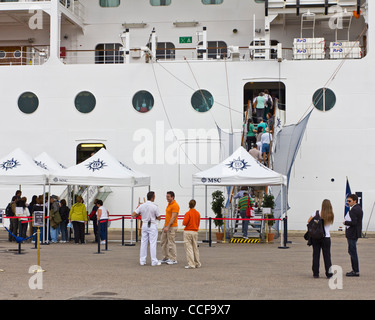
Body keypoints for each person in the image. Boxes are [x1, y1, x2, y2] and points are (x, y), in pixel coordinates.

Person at [132, 191, 161, 266]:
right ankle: (154, 261)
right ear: (152, 197)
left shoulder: (142, 206)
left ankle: (142, 261)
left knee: (143, 243)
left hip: (144, 224)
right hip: (152, 224)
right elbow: (159, 217)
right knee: (153, 243)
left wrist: (140, 214)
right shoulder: (155, 206)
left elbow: (133, 214)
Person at [307, 199, 334, 279]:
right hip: (326, 237)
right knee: (327, 256)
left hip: (316, 237)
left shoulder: (316, 213)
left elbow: (309, 221)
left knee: (316, 255)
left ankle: (316, 273)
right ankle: (329, 274)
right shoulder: (331, 215)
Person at [344, 194, 363, 277]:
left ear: (354, 201)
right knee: (352, 251)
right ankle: (355, 270)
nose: (348, 202)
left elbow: (354, 223)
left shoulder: (354, 210)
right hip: (355, 233)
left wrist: (345, 222)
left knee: (353, 252)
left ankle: (355, 271)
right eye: (347, 201)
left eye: (349, 201)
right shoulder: (358, 208)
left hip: (352, 234)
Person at [161, 191, 180, 265]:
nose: (167, 198)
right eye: (166, 196)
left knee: (171, 242)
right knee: (163, 242)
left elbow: (173, 217)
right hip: (166, 226)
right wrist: (165, 226)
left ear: (173, 197)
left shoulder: (175, 205)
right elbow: (168, 216)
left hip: (171, 227)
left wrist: (168, 226)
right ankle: (166, 257)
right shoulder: (169, 204)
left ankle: (173, 258)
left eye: (168, 197)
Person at [182, 200, 201, 269]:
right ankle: (197, 263)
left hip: (188, 231)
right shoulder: (198, 213)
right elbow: (198, 223)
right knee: (195, 248)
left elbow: (184, 223)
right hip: (195, 231)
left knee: (189, 248)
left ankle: (191, 264)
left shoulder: (188, 213)